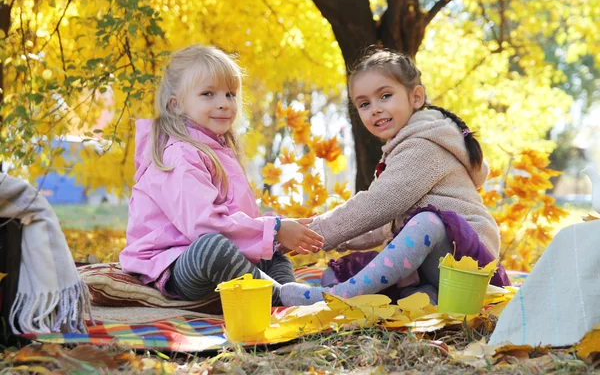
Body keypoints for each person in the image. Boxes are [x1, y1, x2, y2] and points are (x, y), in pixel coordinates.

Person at [280, 49, 509, 306]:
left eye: (385, 96)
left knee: (427, 223)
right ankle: (424, 297)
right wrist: (311, 239)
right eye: (364, 104)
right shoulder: (401, 148)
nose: (375, 110)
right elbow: (382, 224)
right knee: (334, 272)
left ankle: (340, 297)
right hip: (433, 266)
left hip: (466, 264)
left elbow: (377, 204)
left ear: (416, 97)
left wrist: (317, 230)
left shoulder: (424, 146)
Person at [120, 45, 324, 306]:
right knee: (214, 249)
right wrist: (273, 230)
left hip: (208, 249)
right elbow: (203, 226)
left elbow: (235, 216)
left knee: (270, 252)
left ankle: (286, 290)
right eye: (208, 94)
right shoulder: (180, 154)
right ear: (176, 104)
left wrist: (275, 232)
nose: (224, 103)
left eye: (230, 94)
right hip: (174, 262)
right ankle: (277, 296)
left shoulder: (217, 148)